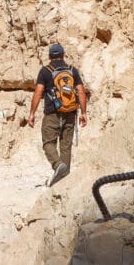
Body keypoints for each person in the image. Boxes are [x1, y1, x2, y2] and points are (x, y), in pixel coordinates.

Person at [28, 43, 87, 186]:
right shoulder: (72, 70)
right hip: (70, 113)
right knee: (66, 145)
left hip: (52, 114)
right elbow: (80, 91)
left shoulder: (45, 71)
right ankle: (64, 179)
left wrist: (32, 113)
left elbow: (38, 92)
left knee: (48, 142)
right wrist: (83, 113)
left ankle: (57, 164)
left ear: (49, 57)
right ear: (63, 55)